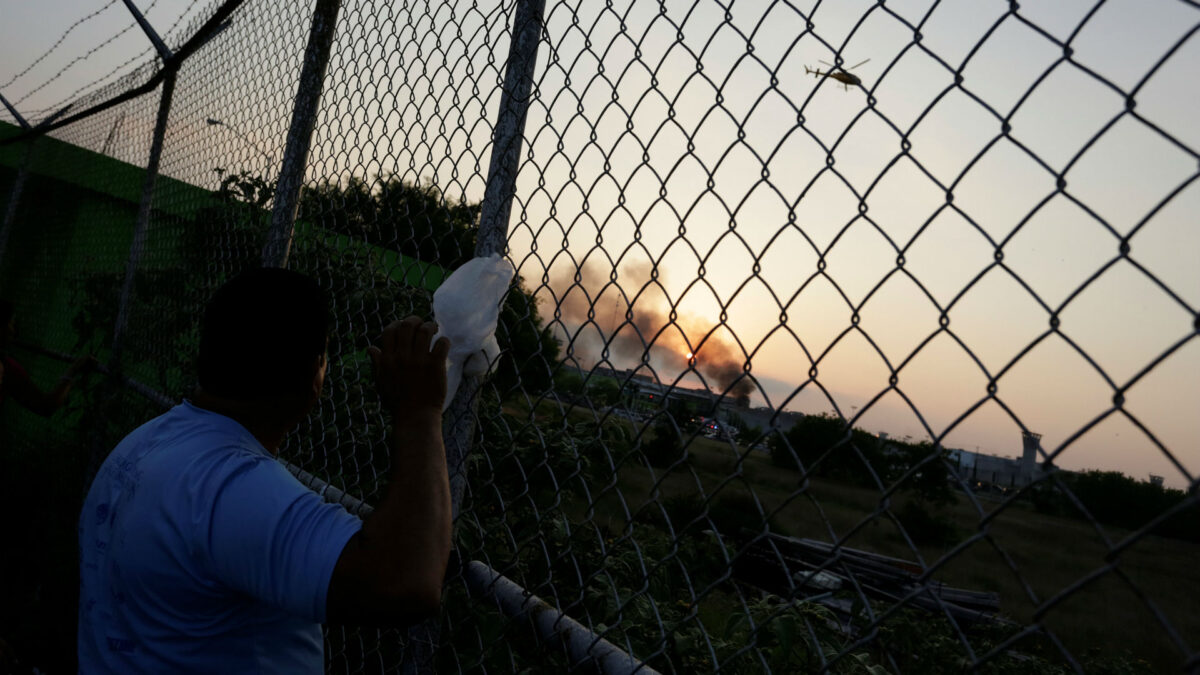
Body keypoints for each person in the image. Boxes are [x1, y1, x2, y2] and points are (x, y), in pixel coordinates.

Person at [77, 268, 452, 673]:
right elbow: (407, 581)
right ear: (315, 373)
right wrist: (419, 413)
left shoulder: (144, 443)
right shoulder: (232, 487)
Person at [0, 299, 96, 415]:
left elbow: (45, 406)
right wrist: (73, 371)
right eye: (10, 323)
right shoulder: (7, 369)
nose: (12, 330)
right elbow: (45, 406)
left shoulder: (8, 368)